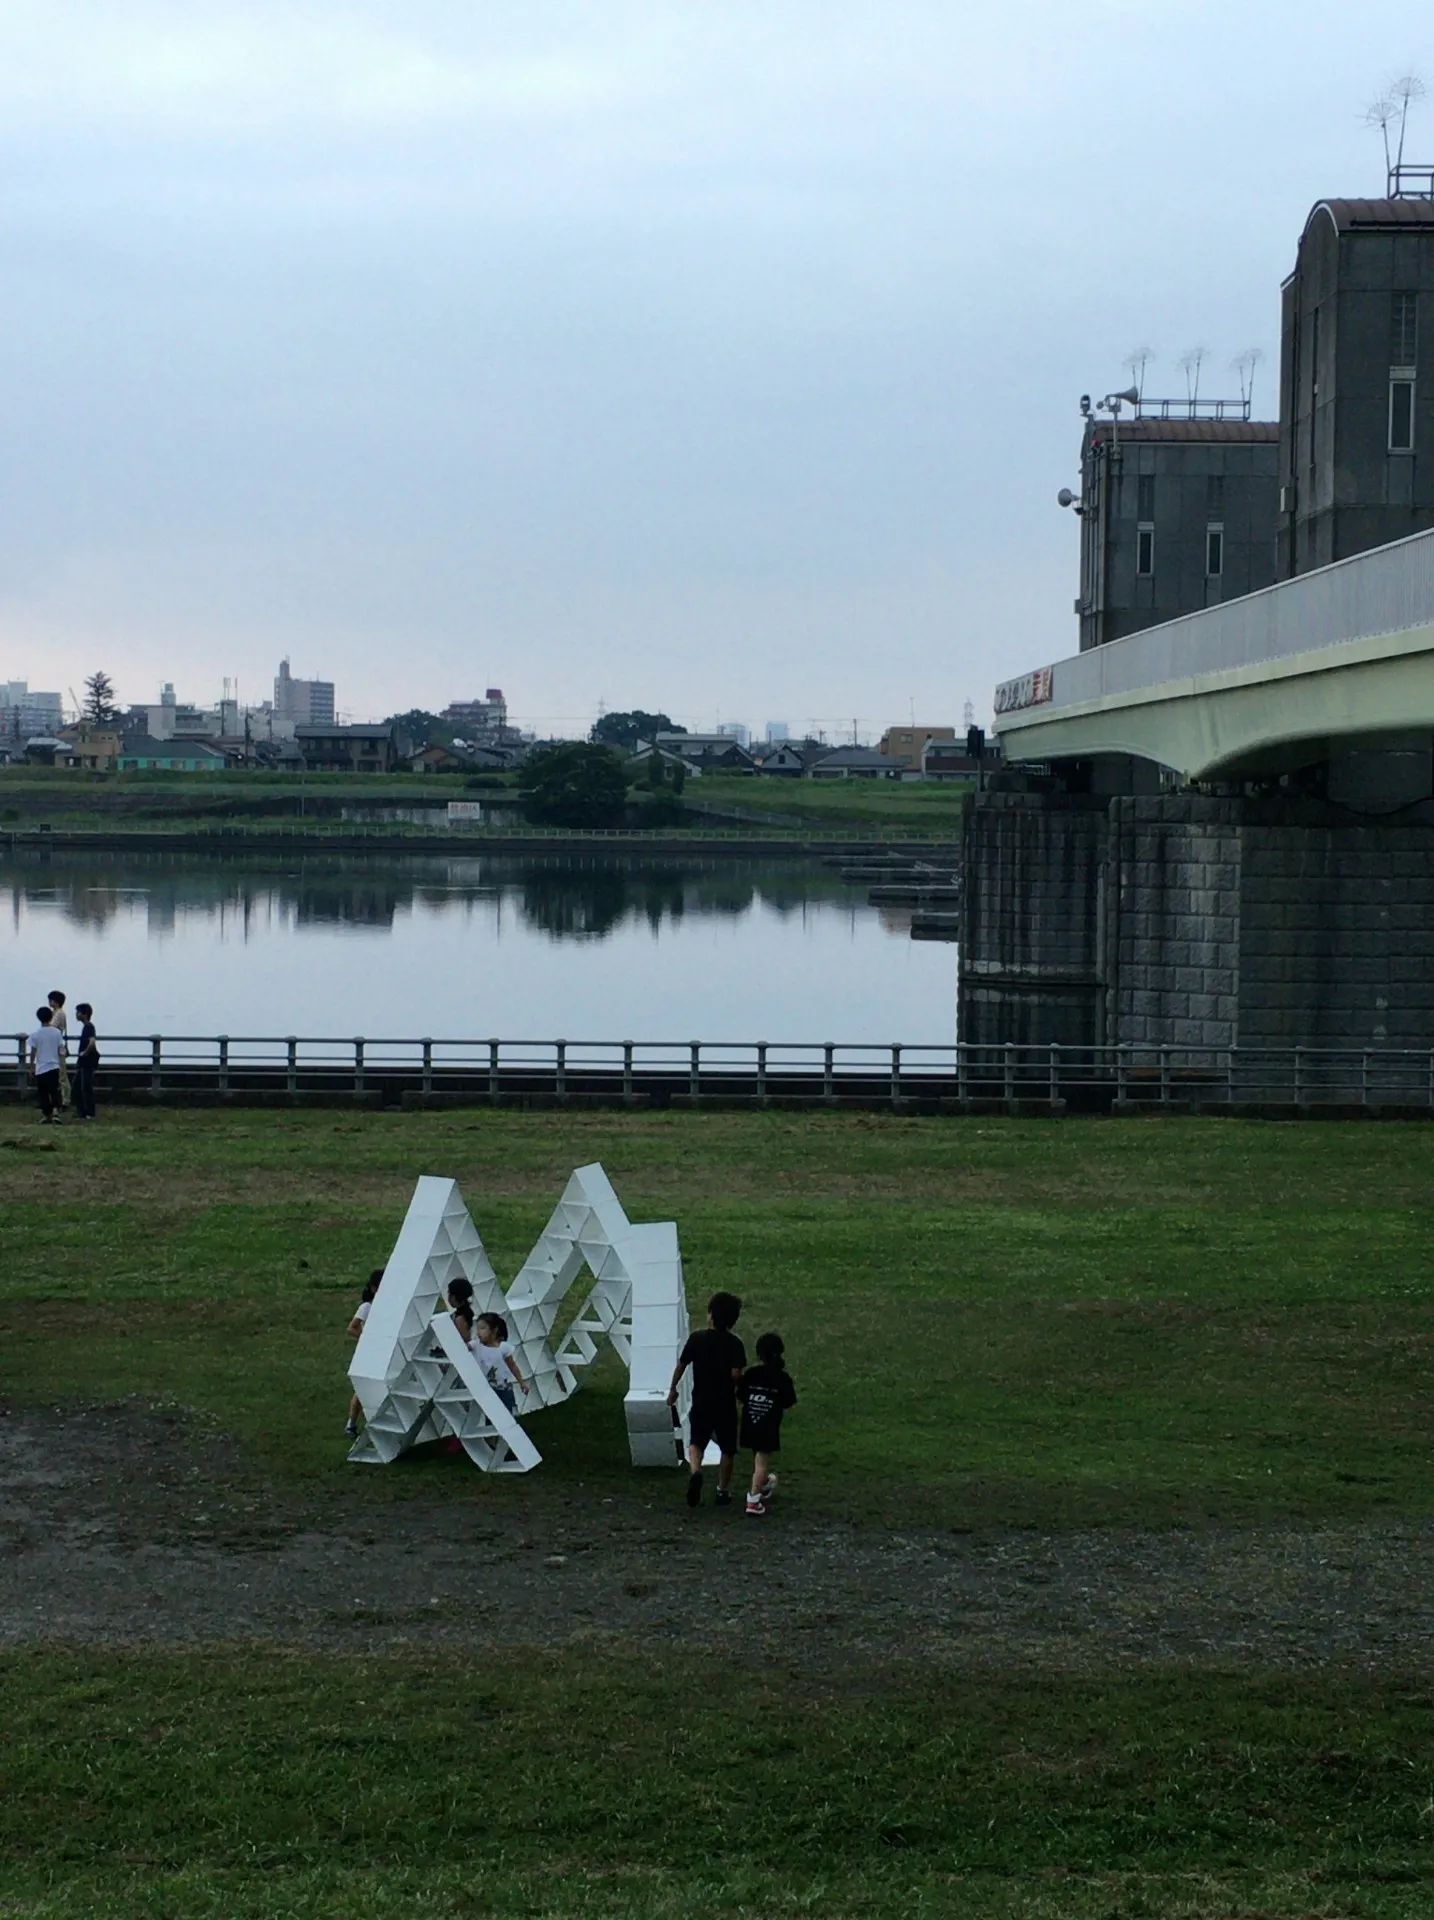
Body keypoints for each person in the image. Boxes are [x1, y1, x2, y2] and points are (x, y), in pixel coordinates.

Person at [667, 1290, 746, 1508]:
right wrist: (741, 1390)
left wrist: (673, 1389)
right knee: (728, 1448)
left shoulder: (697, 1339)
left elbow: (681, 1366)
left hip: (701, 1400)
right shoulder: (735, 1344)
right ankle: (722, 1489)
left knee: (696, 1442)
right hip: (725, 1403)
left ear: (711, 1315)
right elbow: (736, 1374)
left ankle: (695, 1471)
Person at [739, 1332, 797, 1517]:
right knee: (762, 1460)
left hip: (749, 1422)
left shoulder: (751, 1374)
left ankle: (762, 1484)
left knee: (757, 1458)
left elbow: (740, 1394)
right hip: (768, 1424)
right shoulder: (782, 1378)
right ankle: (753, 1500)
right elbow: (788, 1401)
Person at [345, 1269, 383, 1437]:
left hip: (383, 1351)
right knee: (362, 1389)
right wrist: (368, 1339)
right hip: (370, 1353)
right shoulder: (367, 1307)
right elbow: (352, 1328)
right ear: (374, 1289)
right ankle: (351, 1423)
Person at [472, 1311, 529, 1413]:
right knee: (491, 1414)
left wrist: (522, 1383)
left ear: (494, 1330)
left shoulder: (503, 1348)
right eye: (478, 1329)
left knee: (507, 1412)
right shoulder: (476, 1346)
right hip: (486, 1389)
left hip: (503, 1389)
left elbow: (512, 1366)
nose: (478, 1332)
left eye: (482, 1328)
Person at [28, 1005, 66, 1124]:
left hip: (41, 1067)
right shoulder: (56, 1033)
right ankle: (56, 1112)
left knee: (43, 1092)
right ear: (51, 1017)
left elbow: (33, 1052)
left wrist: (31, 1067)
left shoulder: (36, 1034)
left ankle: (47, 1114)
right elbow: (60, 1049)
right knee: (54, 1090)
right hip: (54, 1066)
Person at [73, 1002, 100, 1121]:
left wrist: (84, 1053)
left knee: (85, 1087)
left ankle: (88, 1112)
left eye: (78, 1012)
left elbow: (92, 1042)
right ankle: (83, 1112)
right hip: (85, 1062)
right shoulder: (87, 1027)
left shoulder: (89, 1027)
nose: (76, 1014)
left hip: (86, 1062)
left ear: (84, 1014)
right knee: (79, 1087)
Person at [46, 990, 69, 1111]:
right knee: (58, 1075)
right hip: (54, 1047)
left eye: (51, 1000)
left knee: (62, 1076)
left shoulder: (59, 1014)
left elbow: (51, 1027)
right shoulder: (55, 1013)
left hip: (58, 1048)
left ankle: (65, 1100)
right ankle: (60, 1100)